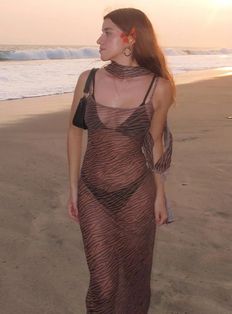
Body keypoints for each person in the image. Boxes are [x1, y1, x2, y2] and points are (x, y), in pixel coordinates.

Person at [67, 7, 175, 314]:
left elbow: (154, 143)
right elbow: (75, 132)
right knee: (102, 285)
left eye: (107, 32)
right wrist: (73, 187)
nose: (99, 39)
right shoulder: (87, 80)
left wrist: (161, 196)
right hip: (92, 193)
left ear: (130, 38)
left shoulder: (159, 87)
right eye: (102, 32)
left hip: (137, 195)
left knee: (134, 279)